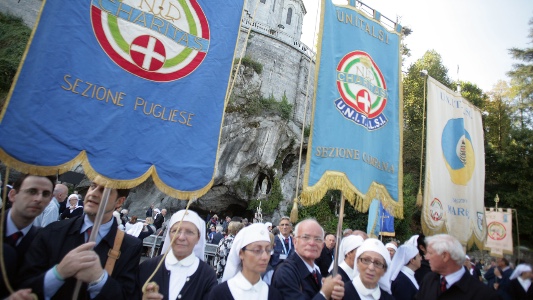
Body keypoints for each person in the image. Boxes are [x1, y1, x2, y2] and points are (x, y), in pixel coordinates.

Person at [18, 178, 143, 299]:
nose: (93, 193)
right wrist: (59, 273)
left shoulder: (130, 246)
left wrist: (99, 280)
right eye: (93, 186)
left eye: (104, 190)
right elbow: (23, 286)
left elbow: (128, 295)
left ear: (119, 202)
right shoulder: (53, 231)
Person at [138, 209, 217, 299]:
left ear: (198, 238)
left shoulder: (207, 275)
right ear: (169, 234)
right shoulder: (147, 267)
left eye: (189, 232)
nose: (181, 237)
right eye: (176, 230)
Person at [1, 174, 56, 299]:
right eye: (32, 191)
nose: (38, 199)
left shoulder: (45, 241)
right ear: (13, 195)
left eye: (46, 194)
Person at [271, 218, 344, 300]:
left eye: (317, 239)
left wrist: (332, 296)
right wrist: (324, 293)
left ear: (322, 246)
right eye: (306, 237)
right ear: (295, 242)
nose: (312, 243)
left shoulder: (316, 271)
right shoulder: (285, 273)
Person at [208, 223, 282, 299]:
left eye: (268, 250)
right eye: (257, 250)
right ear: (241, 253)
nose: (265, 256)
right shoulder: (220, 294)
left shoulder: (274, 295)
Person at [415, 234, 498, 300]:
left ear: (445, 256)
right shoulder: (428, 280)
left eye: (430, 253)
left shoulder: (483, 295)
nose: (426, 257)